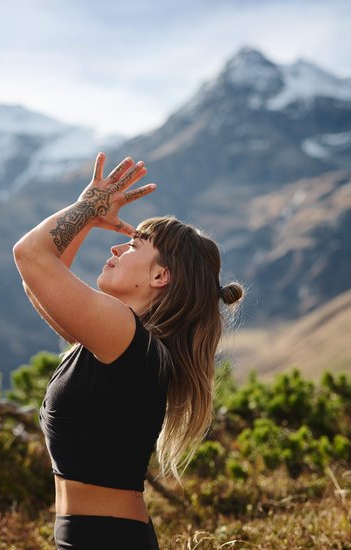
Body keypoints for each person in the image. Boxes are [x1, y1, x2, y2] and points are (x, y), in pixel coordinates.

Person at [13, 153, 244, 550]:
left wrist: (88, 209)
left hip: (105, 539)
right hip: (92, 536)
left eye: (135, 244)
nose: (119, 248)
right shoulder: (121, 344)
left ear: (159, 275)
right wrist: (86, 213)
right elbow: (39, 282)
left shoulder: (125, 335)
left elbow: (31, 255)